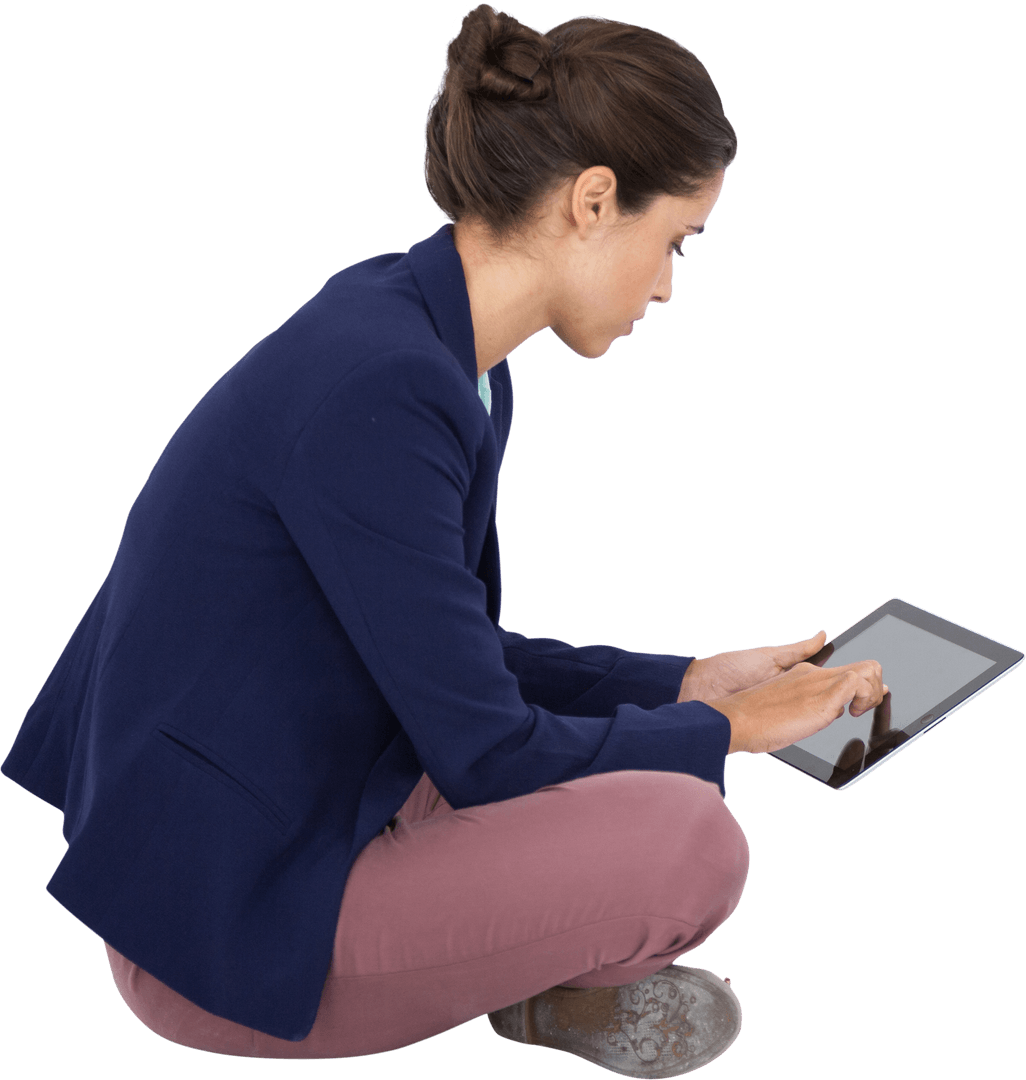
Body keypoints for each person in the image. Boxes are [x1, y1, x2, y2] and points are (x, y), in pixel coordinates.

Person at [0, 5, 885, 1077]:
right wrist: (733, 732)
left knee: (663, 791)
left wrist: (692, 682)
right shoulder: (388, 380)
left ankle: (524, 969)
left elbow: (441, 655)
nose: (664, 287)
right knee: (692, 842)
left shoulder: (431, 345)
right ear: (594, 200)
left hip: (308, 802)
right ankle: (531, 981)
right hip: (218, 925)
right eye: (674, 244)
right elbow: (487, 747)